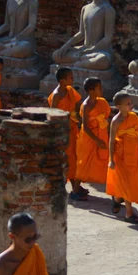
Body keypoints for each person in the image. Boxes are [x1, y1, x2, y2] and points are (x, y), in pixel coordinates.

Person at [106, 92, 138, 224]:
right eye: (128, 104)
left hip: (134, 153)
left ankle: (117, 199)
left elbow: (136, 136)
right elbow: (111, 141)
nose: (131, 106)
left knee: (131, 181)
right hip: (121, 155)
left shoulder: (134, 117)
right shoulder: (115, 121)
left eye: (131, 103)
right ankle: (129, 213)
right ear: (119, 106)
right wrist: (111, 159)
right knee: (126, 182)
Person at [47, 67, 89, 196]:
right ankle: (70, 188)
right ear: (62, 80)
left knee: (75, 156)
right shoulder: (57, 95)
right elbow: (52, 115)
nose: (73, 79)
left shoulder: (69, 90)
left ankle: (76, 185)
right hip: (62, 130)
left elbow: (77, 103)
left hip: (72, 127)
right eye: (70, 77)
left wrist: (77, 117)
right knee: (68, 158)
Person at [73, 77, 110, 200]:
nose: (102, 90)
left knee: (102, 162)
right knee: (84, 162)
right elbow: (85, 126)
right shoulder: (86, 105)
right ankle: (75, 190)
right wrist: (97, 140)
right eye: (99, 88)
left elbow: (106, 116)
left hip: (101, 134)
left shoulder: (102, 102)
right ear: (91, 90)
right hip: (89, 137)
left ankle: (113, 191)